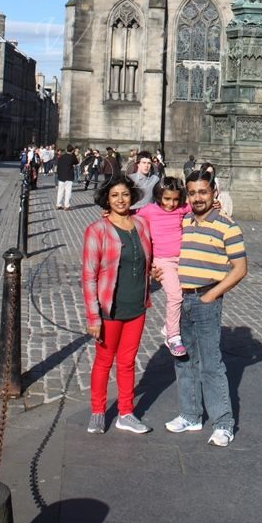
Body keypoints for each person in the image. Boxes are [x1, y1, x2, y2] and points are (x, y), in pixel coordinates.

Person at [163, 168, 247, 447]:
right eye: (193, 192)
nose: (197, 197)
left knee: (211, 364)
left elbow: (240, 268)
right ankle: (191, 415)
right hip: (180, 301)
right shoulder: (182, 221)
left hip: (205, 300)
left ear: (214, 193)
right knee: (184, 360)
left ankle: (223, 423)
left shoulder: (227, 225)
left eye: (203, 192)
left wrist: (213, 294)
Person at [82, 176, 154, 434]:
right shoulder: (97, 230)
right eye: (115, 196)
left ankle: (126, 412)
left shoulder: (142, 224)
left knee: (127, 361)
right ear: (107, 200)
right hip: (109, 308)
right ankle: (98, 412)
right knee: (103, 361)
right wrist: (93, 317)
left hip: (137, 305)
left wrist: (154, 271)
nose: (121, 199)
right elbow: (89, 275)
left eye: (124, 194)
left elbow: (149, 256)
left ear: (131, 196)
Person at [136, 176, 192, 357]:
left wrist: (215, 204)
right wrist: (108, 213)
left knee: (187, 294)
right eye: (167, 199)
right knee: (175, 295)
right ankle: (173, 336)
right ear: (159, 196)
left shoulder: (181, 209)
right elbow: (129, 216)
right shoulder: (150, 210)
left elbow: (199, 205)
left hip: (182, 259)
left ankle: (169, 326)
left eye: (175, 199)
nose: (171, 203)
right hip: (162, 261)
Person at [56, 144, 78, 210]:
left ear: (66, 150)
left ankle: (58, 204)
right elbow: (77, 162)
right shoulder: (72, 157)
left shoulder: (61, 157)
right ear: (72, 151)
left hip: (61, 176)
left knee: (60, 191)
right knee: (68, 191)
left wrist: (58, 174)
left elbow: (58, 166)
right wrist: (73, 154)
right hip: (69, 176)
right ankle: (66, 206)